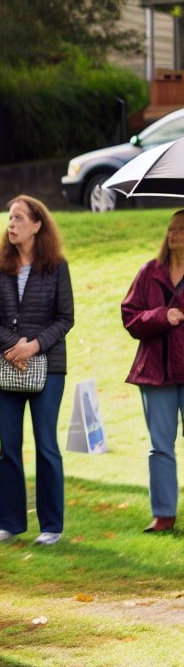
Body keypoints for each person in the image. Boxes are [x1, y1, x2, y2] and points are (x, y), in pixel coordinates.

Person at [0, 195, 74, 545]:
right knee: (8, 447)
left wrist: (33, 345)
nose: (11, 224)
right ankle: (10, 524)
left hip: (48, 367)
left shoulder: (57, 266)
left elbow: (65, 319)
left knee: (47, 445)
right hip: (6, 366)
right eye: (9, 218)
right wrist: (12, 345)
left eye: (18, 218)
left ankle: (51, 527)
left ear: (37, 225)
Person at [121, 212, 184, 533]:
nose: (174, 235)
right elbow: (130, 316)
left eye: (181, 230)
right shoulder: (149, 272)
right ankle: (163, 514)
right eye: (171, 229)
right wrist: (162, 316)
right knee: (160, 445)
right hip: (155, 372)